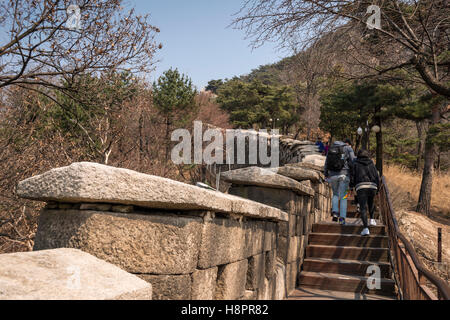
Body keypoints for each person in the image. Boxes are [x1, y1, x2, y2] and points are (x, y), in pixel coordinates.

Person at [324, 138, 356, 225]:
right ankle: (342, 219)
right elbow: (353, 161)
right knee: (343, 197)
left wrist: (326, 174)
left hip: (333, 176)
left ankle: (334, 213)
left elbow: (326, 162)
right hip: (344, 176)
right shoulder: (348, 148)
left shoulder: (331, 148)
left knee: (335, 194)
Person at [350, 149, 380, 236]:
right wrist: (377, 189)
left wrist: (351, 186)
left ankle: (366, 228)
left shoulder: (355, 164)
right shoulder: (371, 163)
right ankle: (372, 220)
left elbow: (353, 176)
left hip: (361, 186)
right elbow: (376, 176)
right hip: (372, 186)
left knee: (363, 207)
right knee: (371, 204)